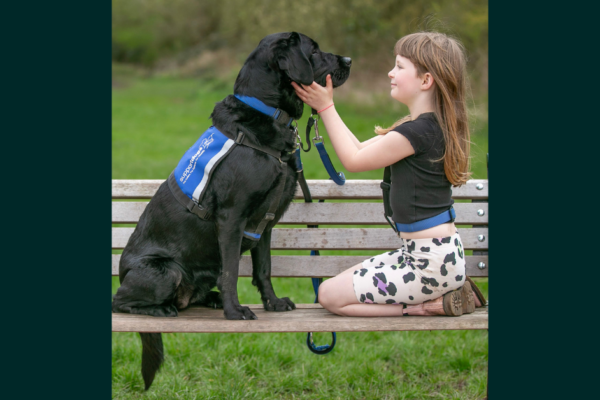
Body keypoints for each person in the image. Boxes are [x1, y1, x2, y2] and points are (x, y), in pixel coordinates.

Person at [292, 31, 485, 318]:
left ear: (425, 80)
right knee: (335, 288)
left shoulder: (416, 133)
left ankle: (426, 307)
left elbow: (353, 160)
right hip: (429, 256)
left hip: (428, 263)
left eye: (399, 66)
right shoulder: (422, 127)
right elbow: (357, 147)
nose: (390, 73)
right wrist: (326, 107)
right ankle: (447, 292)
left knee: (329, 296)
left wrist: (325, 107)